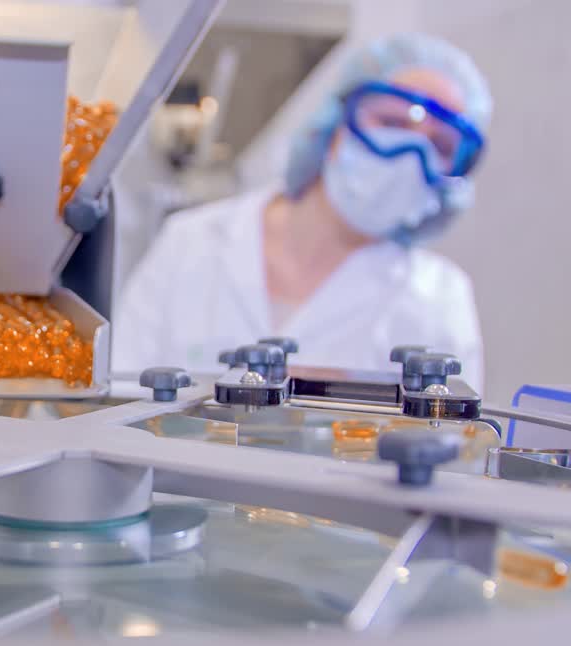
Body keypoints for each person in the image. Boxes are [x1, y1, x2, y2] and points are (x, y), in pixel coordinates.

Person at [113, 33, 492, 392]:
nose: (409, 156)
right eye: (392, 123)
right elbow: (116, 398)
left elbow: (449, 447)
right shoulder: (190, 242)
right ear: (335, 125)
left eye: (440, 144)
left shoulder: (439, 301)